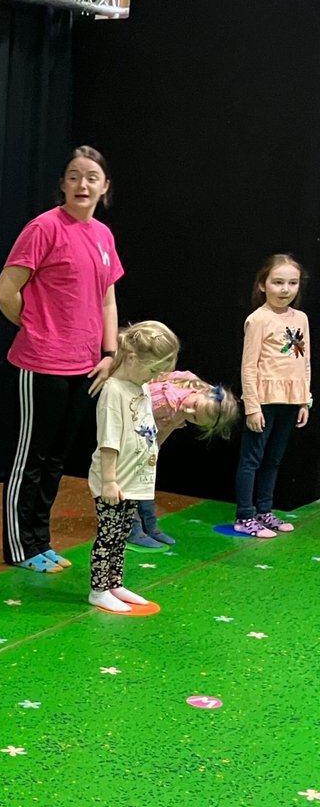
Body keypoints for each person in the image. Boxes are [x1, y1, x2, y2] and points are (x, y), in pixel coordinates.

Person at [0, 145, 123, 573]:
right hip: (42, 363)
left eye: (91, 177)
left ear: (104, 187)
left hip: (85, 365)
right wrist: (35, 327)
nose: (82, 184)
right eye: (74, 176)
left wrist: (110, 352)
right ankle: (20, 548)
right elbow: (5, 291)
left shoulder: (103, 236)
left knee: (55, 461)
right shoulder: (43, 228)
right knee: (30, 457)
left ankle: (40, 542)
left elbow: (107, 299)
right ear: (63, 185)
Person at [86, 322, 180, 612]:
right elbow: (109, 440)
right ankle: (98, 589)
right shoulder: (113, 391)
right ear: (132, 358)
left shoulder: (141, 387)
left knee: (122, 534)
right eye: (152, 370)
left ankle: (114, 583)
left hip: (134, 480)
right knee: (108, 535)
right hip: (114, 481)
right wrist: (109, 481)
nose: (154, 377)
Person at [232, 254, 311, 538]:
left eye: (292, 283)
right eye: (278, 282)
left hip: (290, 401)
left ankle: (265, 510)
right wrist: (252, 407)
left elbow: (304, 361)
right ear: (263, 284)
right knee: (252, 460)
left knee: (273, 459)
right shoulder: (258, 319)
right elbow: (248, 366)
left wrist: (304, 399)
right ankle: (244, 515)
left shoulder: (301, 318)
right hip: (264, 401)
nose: (285, 289)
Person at [126, 372, 241, 546]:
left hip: (145, 444)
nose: (188, 410)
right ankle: (133, 529)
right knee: (131, 486)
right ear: (199, 392)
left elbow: (163, 433)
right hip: (130, 441)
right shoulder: (168, 402)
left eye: (194, 417)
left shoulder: (187, 397)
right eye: (194, 405)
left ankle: (150, 526)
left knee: (145, 482)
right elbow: (136, 423)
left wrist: (153, 453)